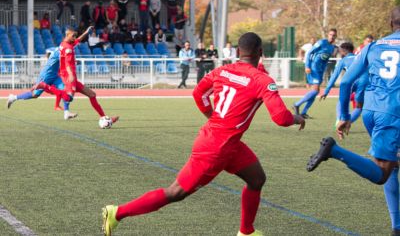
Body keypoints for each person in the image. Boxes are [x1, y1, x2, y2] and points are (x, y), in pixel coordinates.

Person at [101, 32, 305, 236]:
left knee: (257, 179)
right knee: (176, 192)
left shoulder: (222, 71)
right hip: (216, 148)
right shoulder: (262, 80)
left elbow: (199, 93)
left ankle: (246, 232)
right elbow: (281, 118)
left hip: (226, 142)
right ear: (260, 52)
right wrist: (297, 118)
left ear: (237, 51)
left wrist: (212, 115)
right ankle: (117, 213)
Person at [307, 6, 400, 236]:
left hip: (371, 111)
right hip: (394, 113)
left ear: (391, 23)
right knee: (381, 173)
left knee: (392, 163)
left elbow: (346, 81)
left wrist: (344, 117)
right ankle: (334, 151)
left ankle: (397, 227)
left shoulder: (372, 46)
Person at [34, 27, 119, 124]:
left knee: (92, 95)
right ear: (67, 35)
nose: (75, 38)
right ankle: (44, 86)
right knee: (68, 98)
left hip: (69, 75)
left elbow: (78, 41)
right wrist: (70, 74)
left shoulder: (64, 44)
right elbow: (67, 62)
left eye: (75, 36)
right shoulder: (68, 48)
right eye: (73, 36)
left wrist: (86, 32)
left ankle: (103, 117)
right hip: (68, 77)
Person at [7, 48, 75, 118]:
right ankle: (13, 97)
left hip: (55, 76)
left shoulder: (61, 50)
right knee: (35, 94)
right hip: (45, 76)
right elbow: (66, 60)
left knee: (65, 91)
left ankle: (66, 112)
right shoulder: (59, 52)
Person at [293, 28, 337, 119]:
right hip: (313, 68)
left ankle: (304, 112)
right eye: (330, 35)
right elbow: (309, 53)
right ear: (328, 35)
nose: (332, 37)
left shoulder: (332, 47)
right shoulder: (321, 42)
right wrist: (307, 66)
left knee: (315, 92)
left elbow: (325, 60)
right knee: (316, 90)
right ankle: (297, 104)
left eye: (334, 35)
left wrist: (323, 70)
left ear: (335, 37)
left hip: (320, 71)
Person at [319, 42, 362, 124]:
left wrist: (326, 91)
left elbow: (334, 76)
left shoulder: (344, 60)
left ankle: (340, 121)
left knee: (341, 101)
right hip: (362, 84)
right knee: (359, 107)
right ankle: (347, 122)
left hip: (350, 83)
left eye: (340, 51)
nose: (340, 53)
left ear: (344, 51)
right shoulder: (360, 58)